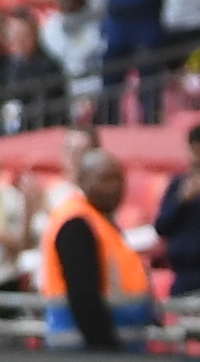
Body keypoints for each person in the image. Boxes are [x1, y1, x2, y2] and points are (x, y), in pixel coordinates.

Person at [39, 144, 154, 351]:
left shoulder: (101, 222)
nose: (115, 187)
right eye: (105, 179)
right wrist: (109, 351)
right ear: (82, 181)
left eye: (119, 178)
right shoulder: (76, 224)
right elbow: (84, 299)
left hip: (118, 344)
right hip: (85, 352)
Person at [152, 121, 200, 304]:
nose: (199, 160)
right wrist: (181, 201)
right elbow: (162, 226)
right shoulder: (178, 185)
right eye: (195, 153)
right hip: (182, 272)